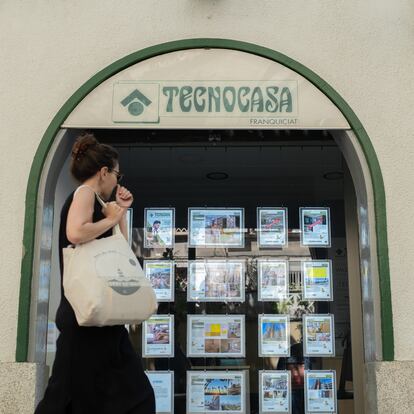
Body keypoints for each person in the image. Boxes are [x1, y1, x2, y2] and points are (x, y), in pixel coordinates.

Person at [35, 133, 155, 414]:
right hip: (86, 320)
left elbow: (120, 251)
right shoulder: (85, 193)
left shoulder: (102, 204)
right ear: (103, 172)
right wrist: (113, 217)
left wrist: (120, 212)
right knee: (69, 398)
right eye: (116, 173)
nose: (117, 179)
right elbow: (75, 232)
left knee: (129, 396)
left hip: (103, 320)